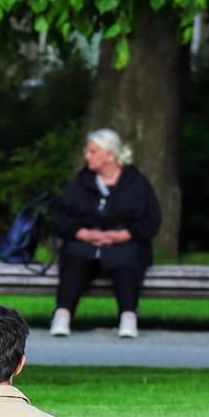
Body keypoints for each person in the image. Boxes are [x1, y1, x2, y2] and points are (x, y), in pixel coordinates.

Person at [49, 128, 161, 339]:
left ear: (109, 154)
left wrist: (122, 236)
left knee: (127, 258)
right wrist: (82, 233)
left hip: (125, 244)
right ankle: (62, 314)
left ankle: (128, 317)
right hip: (86, 245)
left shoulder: (136, 183)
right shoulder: (80, 183)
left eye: (92, 151)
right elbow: (60, 219)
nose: (87, 156)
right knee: (75, 255)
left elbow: (151, 220)